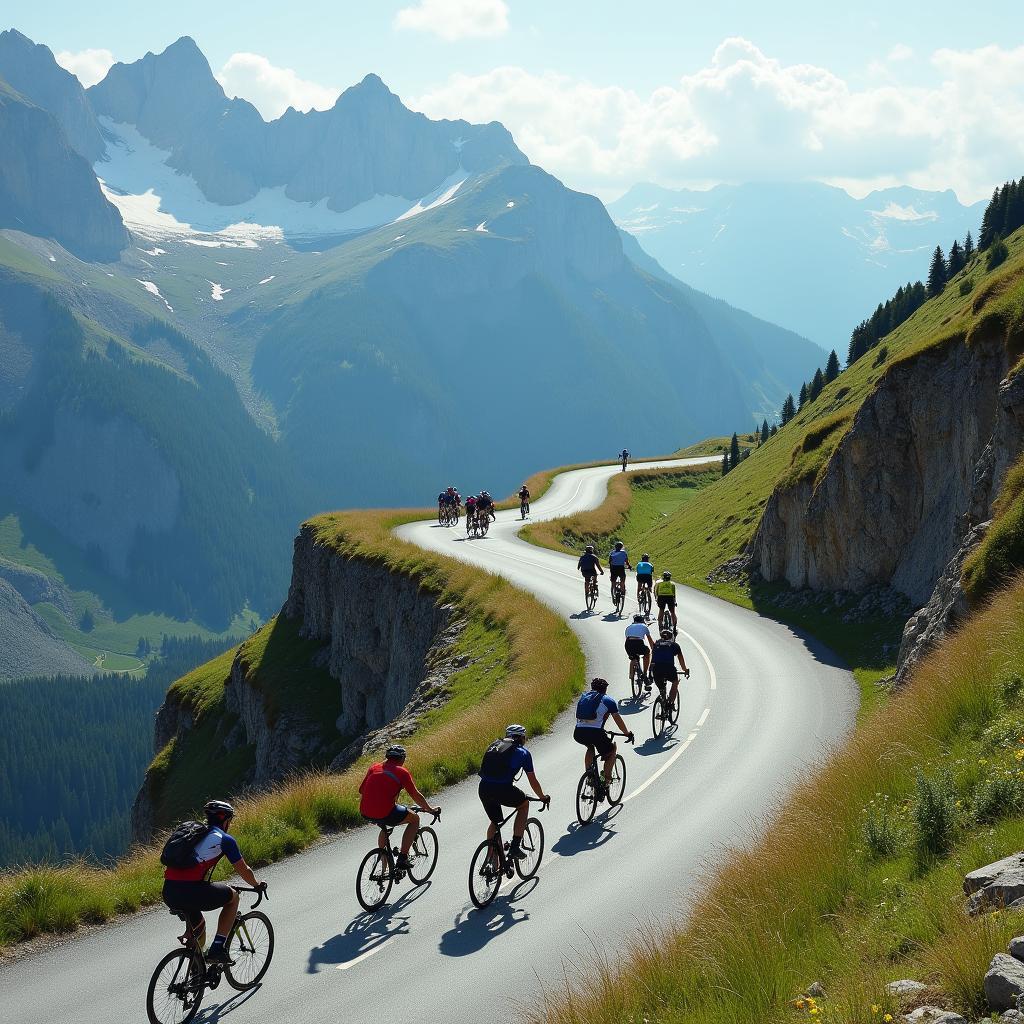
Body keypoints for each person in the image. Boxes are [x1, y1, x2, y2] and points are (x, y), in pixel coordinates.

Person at [162, 800, 265, 965]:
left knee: (198, 928)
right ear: (226, 820)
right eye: (230, 821)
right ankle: (217, 949)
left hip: (169, 891)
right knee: (233, 898)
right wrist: (257, 885)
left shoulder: (195, 835)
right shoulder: (225, 839)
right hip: (190, 891)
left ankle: (195, 971)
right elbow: (244, 870)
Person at [359, 745, 439, 871]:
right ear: (402, 759)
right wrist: (430, 809)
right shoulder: (402, 772)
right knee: (414, 819)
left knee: (385, 825)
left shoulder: (374, 767)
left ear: (387, 757)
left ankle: (382, 854)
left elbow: (361, 790)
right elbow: (415, 795)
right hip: (385, 812)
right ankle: (403, 857)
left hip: (364, 811)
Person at [478, 725, 549, 861]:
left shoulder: (494, 746)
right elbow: (533, 781)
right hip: (502, 789)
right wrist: (542, 797)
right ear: (522, 738)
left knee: (495, 822)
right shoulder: (523, 753)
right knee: (523, 805)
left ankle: (492, 861)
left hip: (484, 788)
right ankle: (515, 847)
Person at [573, 678, 634, 797]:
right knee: (611, 750)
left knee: (590, 747)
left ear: (592, 687)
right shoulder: (608, 700)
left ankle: (590, 775)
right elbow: (617, 719)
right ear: (605, 689)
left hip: (578, 732)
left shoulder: (584, 698)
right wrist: (627, 733)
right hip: (595, 733)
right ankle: (606, 782)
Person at [650, 628, 690, 708]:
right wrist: (685, 670)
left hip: (656, 669)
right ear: (672, 637)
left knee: (661, 687)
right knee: (675, 682)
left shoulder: (656, 645)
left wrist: (650, 674)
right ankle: (670, 704)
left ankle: (662, 696)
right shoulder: (674, 645)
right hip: (669, 668)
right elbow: (681, 660)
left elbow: (652, 660)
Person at [624, 613, 655, 687]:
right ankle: (644, 674)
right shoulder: (644, 626)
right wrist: (654, 650)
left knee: (634, 657)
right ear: (642, 621)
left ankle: (632, 670)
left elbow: (627, 638)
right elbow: (650, 641)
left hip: (628, 644)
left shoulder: (628, 627)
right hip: (638, 643)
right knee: (647, 653)